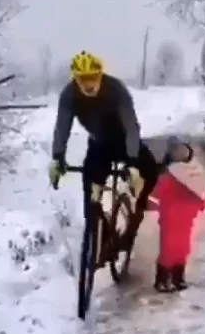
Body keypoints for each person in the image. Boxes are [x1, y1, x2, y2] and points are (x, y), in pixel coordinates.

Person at [48, 52, 160, 241]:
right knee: (90, 186)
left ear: (100, 75)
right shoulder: (69, 95)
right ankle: (95, 228)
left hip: (124, 140)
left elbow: (131, 126)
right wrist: (58, 157)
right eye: (83, 79)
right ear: (75, 78)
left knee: (151, 171)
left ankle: (139, 208)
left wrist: (132, 161)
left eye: (93, 78)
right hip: (99, 143)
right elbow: (62, 127)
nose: (88, 84)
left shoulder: (115, 89)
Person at [146, 136, 205, 292]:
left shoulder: (193, 171)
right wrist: (153, 203)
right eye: (177, 151)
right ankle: (162, 278)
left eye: (183, 150)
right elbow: (158, 192)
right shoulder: (168, 174)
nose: (181, 154)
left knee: (183, 248)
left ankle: (178, 277)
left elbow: (199, 190)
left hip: (186, 217)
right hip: (170, 216)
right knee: (168, 248)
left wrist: (202, 203)